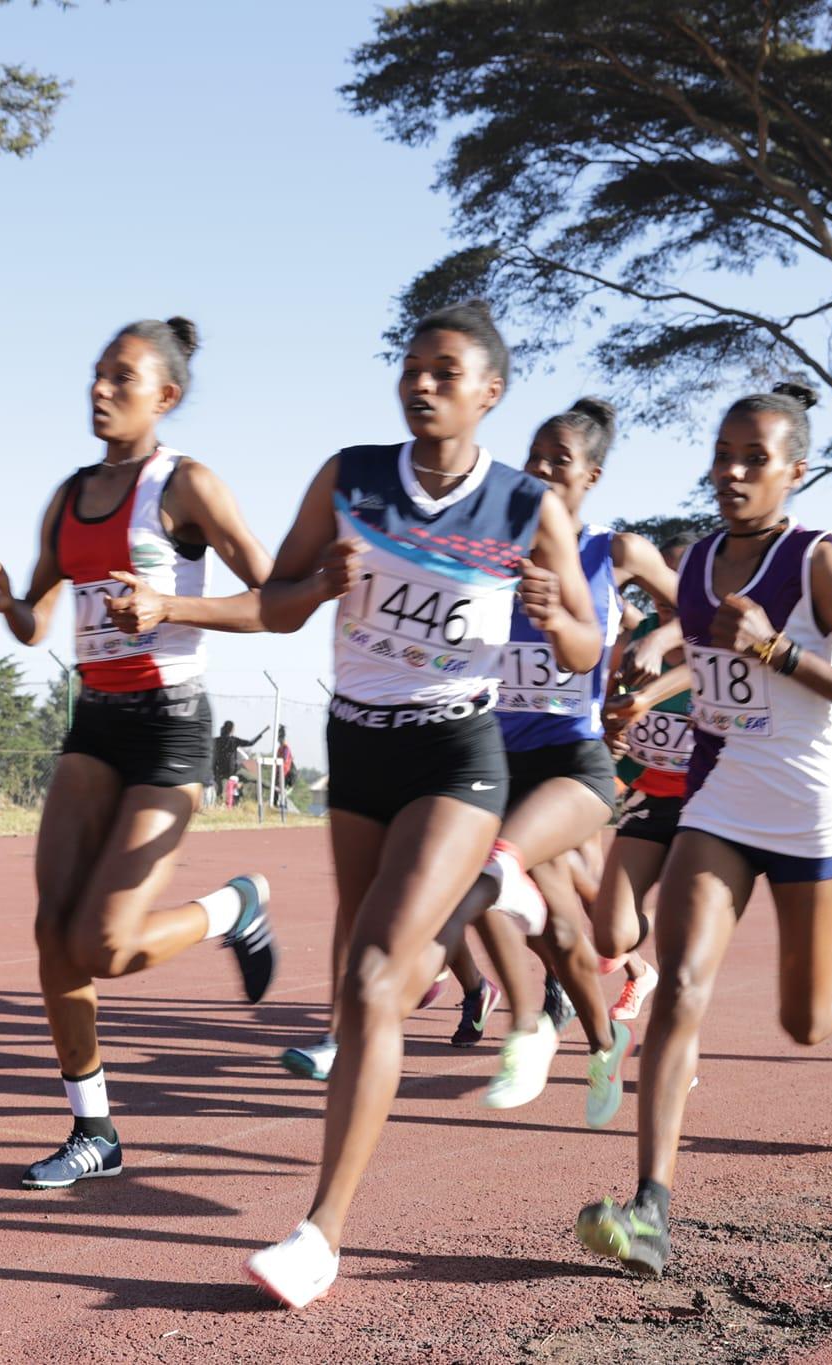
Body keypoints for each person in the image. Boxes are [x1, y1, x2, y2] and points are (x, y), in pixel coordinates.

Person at [244, 301, 602, 1308]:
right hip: (355, 744)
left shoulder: (526, 505)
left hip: (456, 754)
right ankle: (513, 905)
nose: (422, 385)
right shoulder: (349, 476)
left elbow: (584, 651)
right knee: (360, 993)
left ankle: (320, 1234)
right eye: (412, 368)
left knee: (369, 977)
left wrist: (553, 617)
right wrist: (320, 582)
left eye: (445, 373)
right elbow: (274, 603)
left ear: (488, 393)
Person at [574, 381, 832, 1280]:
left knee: (804, 1024)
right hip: (720, 800)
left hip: (809, 808)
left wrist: (775, 651)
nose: (730, 472)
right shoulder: (697, 560)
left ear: (794, 472)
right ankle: (650, 1206)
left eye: (753, 460)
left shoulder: (817, 561)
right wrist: (657, 659)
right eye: (722, 454)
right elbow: (702, 635)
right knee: (680, 984)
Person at [0, 317, 280, 1191]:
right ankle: (93, 1126)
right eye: (96, 375)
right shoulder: (68, 495)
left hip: (172, 723)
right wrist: (3, 605)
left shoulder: (188, 486)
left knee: (103, 942)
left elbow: (277, 597)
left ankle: (233, 907)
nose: (100, 390)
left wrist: (172, 609)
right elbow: (37, 621)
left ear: (165, 396)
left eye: (122, 379)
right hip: (95, 720)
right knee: (51, 932)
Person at [461, 397, 683, 1119]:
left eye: (561, 459)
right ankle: (602, 1041)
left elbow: (700, 613)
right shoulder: (494, 546)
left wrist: (655, 641)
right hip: (497, 753)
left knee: (493, 864)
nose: (544, 470)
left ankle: (526, 1026)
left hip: (572, 758)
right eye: (535, 457)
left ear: (592, 474)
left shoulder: (614, 552)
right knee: (557, 931)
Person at [592, 531, 698, 1025]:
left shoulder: (719, 641)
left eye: (677, 576)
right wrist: (614, 737)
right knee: (610, 937)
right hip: (647, 799)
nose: (665, 590)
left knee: (687, 941)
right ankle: (647, 948)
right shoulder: (635, 637)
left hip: (706, 809)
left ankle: (678, 1056)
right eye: (657, 578)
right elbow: (614, 712)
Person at [210, 721, 268, 808]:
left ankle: (219, 805)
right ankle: (274, 788)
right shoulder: (234, 740)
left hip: (220, 772)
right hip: (232, 771)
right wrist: (260, 735)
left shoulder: (216, 740)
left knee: (220, 791)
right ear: (232, 730)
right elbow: (250, 743)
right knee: (254, 778)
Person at [274, 725, 297, 810]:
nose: (278, 739)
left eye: (279, 737)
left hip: (287, 773)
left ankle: (283, 806)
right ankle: (278, 805)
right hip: (280, 772)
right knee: (277, 790)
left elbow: (284, 760)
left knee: (280, 790)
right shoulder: (279, 748)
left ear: (282, 738)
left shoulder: (286, 748)